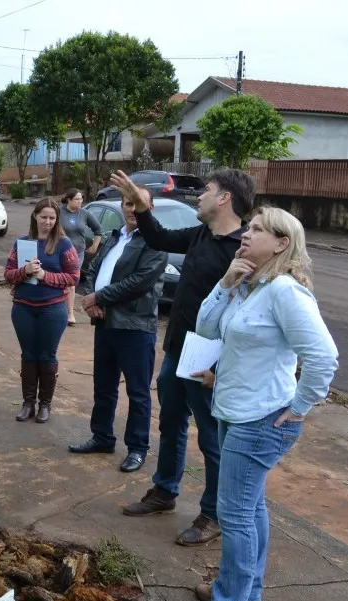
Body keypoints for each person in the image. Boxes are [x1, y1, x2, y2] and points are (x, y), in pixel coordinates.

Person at [185, 207, 338, 601]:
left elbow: (323, 357)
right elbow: (205, 328)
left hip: (262, 420)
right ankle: (246, 595)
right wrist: (225, 283)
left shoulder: (286, 292)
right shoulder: (251, 288)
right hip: (235, 411)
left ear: (282, 243)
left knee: (234, 517)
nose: (244, 236)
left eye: (255, 230)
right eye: (246, 228)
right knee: (249, 511)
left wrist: (301, 406)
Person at [110, 168, 255, 546]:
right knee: (171, 422)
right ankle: (165, 491)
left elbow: (246, 315)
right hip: (179, 347)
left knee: (211, 438)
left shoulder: (243, 247)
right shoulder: (202, 235)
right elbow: (158, 236)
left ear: (224, 199)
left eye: (207, 191)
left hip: (210, 356)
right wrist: (142, 207)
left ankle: (213, 514)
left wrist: (221, 366)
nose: (200, 196)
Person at [68, 187, 168, 472]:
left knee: (138, 393)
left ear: (150, 209)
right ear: (122, 206)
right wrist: (91, 300)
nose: (133, 208)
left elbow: (140, 282)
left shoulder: (154, 241)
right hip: (106, 322)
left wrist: (99, 297)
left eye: (139, 204)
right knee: (104, 386)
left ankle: (137, 448)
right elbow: (94, 270)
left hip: (136, 327)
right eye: (128, 203)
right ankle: (102, 437)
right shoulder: (114, 236)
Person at [3, 197, 81, 423]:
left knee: (47, 355)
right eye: (44, 217)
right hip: (23, 308)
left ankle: (45, 404)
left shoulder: (64, 245)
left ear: (57, 220)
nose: (48, 222)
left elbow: (74, 277)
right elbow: (8, 274)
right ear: (35, 217)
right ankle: (28, 402)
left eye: (52, 218)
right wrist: (25, 271)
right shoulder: (22, 243)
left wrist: (46, 276)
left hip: (52, 309)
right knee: (28, 355)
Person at [60, 189, 102, 326]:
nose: (80, 201)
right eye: (77, 199)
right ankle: (57, 307)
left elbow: (98, 229)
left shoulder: (84, 214)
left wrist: (94, 246)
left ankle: (70, 314)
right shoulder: (59, 212)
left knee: (71, 283)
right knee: (60, 280)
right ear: (69, 200)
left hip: (77, 253)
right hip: (59, 252)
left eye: (81, 199)